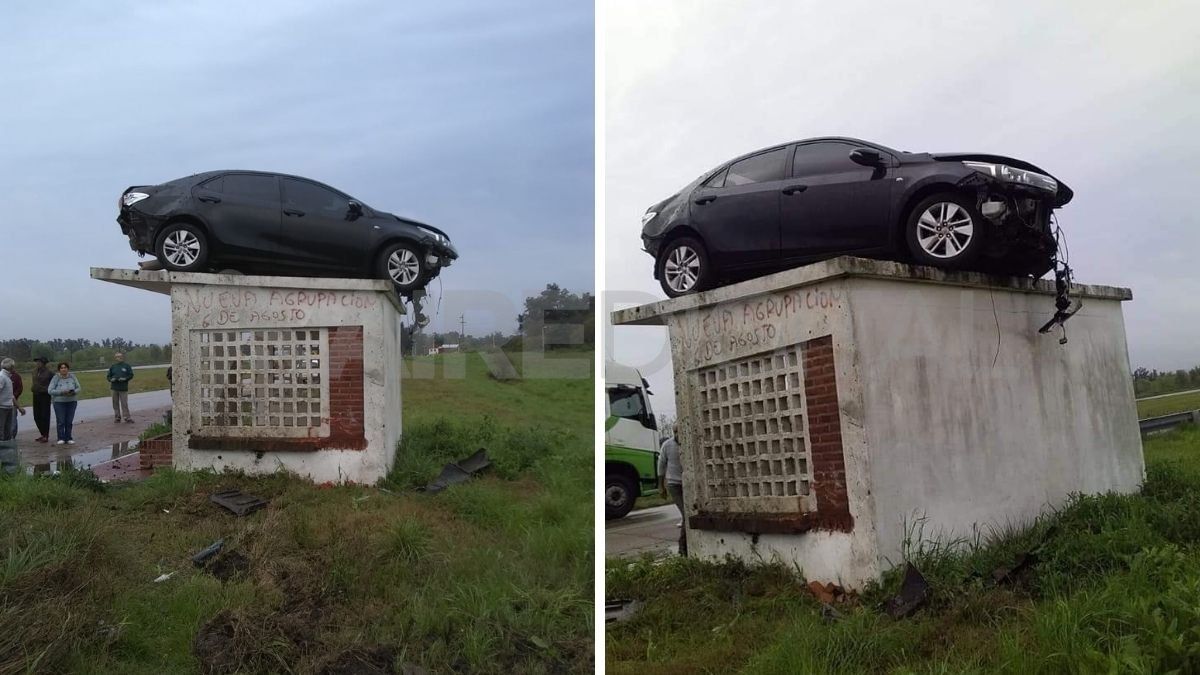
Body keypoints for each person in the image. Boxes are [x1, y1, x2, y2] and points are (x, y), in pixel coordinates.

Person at [658, 423, 687, 556]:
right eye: (675, 431)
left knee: (688, 514)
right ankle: (682, 547)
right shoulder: (667, 445)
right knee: (686, 514)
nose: (677, 434)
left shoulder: (687, 444)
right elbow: (661, 465)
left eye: (679, 431)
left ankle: (685, 547)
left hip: (687, 484)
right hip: (674, 484)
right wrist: (661, 486)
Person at [47, 362, 81, 445]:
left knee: (69, 421)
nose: (63, 369)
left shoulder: (72, 376)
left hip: (72, 402)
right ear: (59, 370)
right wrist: (62, 392)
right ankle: (61, 438)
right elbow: (50, 390)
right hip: (59, 402)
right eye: (61, 368)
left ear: (68, 369)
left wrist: (73, 392)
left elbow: (79, 387)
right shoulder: (55, 378)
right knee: (61, 421)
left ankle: (68, 437)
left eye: (65, 367)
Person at [1, 358, 26, 440]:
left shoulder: (8, 377)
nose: (14, 368)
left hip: (9, 407)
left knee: (8, 433)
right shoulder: (2, 377)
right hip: (2, 408)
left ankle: (7, 450)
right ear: (10, 367)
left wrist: (19, 407)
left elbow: (11, 396)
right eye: (13, 367)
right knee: (1, 432)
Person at [30, 357, 53, 442]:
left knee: (45, 416)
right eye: (37, 362)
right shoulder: (34, 371)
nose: (37, 363)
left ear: (44, 363)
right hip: (35, 395)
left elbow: (53, 384)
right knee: (36, 416)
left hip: (45, 396)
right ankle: (42, 434)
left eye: (39, 362)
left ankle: (46, 435)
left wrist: (47, 389)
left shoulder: (49, 373)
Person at [107, 352, 135, 423]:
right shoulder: (113, 366)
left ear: (122, 357)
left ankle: (127, 417)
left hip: (123, 388)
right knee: (115, 403)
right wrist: (111, 379)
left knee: (124, 403)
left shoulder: (126, 366)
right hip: (114, 388)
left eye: (119, 356)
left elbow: (131, 375)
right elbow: (108, 376)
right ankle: (117, 417)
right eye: (116, 357)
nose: (118, 358)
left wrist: (125, 379)